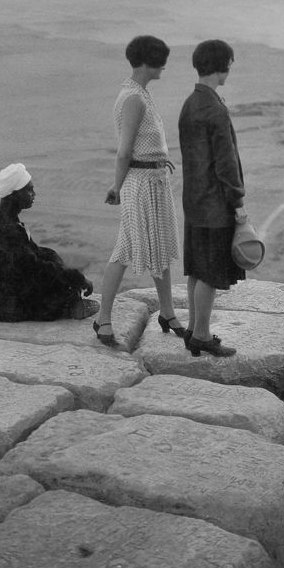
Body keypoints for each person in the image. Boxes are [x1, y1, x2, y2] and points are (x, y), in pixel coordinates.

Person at [94, 35, 185, 347]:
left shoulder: (139, 93)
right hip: (141, 184)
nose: (164, 67)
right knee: (131, 249)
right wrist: (116, 187)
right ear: (148, 62)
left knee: (146, 248)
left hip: (153, 182)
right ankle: (105, 319)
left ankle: (167, 312)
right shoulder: (133, 98)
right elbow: (124, 151)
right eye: (160, 61)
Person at [177, 38, 248, 357]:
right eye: (229, 64)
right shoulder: (214, 108)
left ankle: (193, 329)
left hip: (193, 200)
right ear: (220, 65)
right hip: (214, 204)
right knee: (210, 272)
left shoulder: (191, 103)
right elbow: (226, 162)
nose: (230, 69)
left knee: (196, 269)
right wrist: (238, 203)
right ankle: (202, 336)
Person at [0, 163, 98, 322]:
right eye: (29, 190)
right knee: (54, 291)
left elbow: (34, 253)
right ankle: (71, 304)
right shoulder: (5, 228)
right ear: (14, 194)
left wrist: (68, 273)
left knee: (51, 256)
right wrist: (77, 278)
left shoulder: (2, 214)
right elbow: (34, 268)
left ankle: (71, 299)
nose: (34, 194)